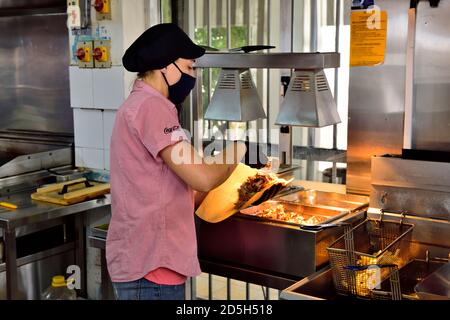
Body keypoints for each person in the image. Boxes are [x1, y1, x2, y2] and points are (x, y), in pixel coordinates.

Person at [105, 23, 246, 300]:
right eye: (190, 67)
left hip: (150, 261)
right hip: (152, 266)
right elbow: (202, 177)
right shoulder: (151, 107)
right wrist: (239, 150)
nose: (193, 75)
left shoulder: (144, 105)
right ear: (166, 67)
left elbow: (184, 181)